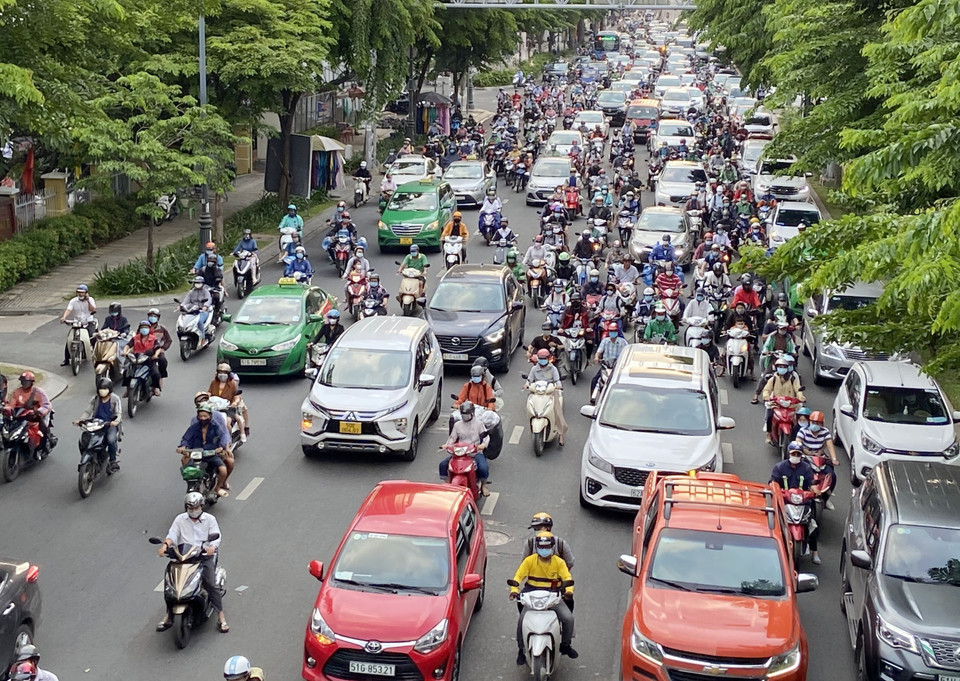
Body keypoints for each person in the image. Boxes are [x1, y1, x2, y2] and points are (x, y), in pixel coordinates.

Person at [156, 491, 229, 631]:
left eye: (195, 508)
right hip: (184, 556)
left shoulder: (210, 519)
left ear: (201, 506)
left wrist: (212, 547)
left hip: (203, 556)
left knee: (211, 584)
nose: (193, 511)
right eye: (190, 508)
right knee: (170, 582)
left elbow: (217, 537)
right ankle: (168, 615)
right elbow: (172, 534)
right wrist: (165, 546)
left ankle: (221, 617)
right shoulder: (180, 519)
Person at [510, 531, 577, 665]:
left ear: (552, 547)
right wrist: (514, 590)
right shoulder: (529, 561)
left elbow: (567, 578)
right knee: (521, 621)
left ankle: (565, 645)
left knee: (568, 618)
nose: (544, 550)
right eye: (541, 547)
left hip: (552, 595)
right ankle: (521, 650)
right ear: (537, 547)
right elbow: (518, 576)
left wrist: (569, 591)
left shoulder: (559, 562)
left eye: (547, 547)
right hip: (532, 594)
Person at [770, 443, 821, 564]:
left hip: (803, 502)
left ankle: (815, 552)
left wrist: (815, 490)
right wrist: (777, 491)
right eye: (794, 454)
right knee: (774, 522)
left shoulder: (806, 468)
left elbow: (812, 483)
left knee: (813, 525)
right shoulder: (779, 467)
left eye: (798, 454)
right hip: (785, 501)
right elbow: (772, 484)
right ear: (789, 453)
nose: (796, 456)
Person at [178, 402, 230, 497]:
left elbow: (223, 436)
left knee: (223, 470)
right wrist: (183, 447)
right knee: (184, 461)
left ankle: (217, 488)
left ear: (210, 416)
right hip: (197, 453)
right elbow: (186, 438)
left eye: (205, 416)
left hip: (212, 454)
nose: (203, 418)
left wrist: (222, 448)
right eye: (201, 416)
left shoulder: (215, 427)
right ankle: (191, 483)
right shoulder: (194, 428)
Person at [441, 402, 491, 496]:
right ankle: (447, 482)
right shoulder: (457, 425)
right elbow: (452, 438)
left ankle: (483, 486)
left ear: (472, 413)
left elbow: (486, 437)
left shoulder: (479, 424)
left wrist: (483, 445)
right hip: (460, 453)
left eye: (467, 415)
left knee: (483, 467)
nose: (465, 417)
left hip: (475, 453)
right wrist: (447, 445)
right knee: (443, 465)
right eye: (463, 415)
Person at [74, 378, 122, 473]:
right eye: (100, 388)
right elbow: (88, 411)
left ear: (109, 389)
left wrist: (115, 421)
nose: (102, 391)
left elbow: (119, 413)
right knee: (85, 440)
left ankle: (113, 461)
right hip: (95, 424)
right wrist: (80, 420)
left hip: (109, 425)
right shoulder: (95, 399)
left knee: (111, 440)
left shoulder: (115, 399)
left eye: (105, 388)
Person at [4, 372, 55, 455]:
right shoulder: (17, 392)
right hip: (23, 416)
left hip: (37, 416)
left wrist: (39, 412)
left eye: (26, 382)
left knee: (43, 429)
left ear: (31, 382)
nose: (23, 383)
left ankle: (41, 448)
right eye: (22, 381)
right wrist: (7, 409)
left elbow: (46, 405)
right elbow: (11, 404)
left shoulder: (38, 392)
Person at [797, 410, 839, 509]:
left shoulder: (825, 432)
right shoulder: (803, 431)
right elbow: (798, 442)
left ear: (821, 424)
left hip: (820, 458)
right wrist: (802, 449)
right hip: (806, 457)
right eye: (813, 422)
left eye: (817, 423)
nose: (814, 425)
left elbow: (829, 445)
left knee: (831, 476)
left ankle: (826, 498)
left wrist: (834, 459)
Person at [525, 349, 567, 445]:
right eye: (540, 359)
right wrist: (526, 385)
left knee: (558, 411)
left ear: (548, 359)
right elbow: (529, 379)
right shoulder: (534, 369)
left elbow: (557, 380)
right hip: (537, 392)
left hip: (550, 392)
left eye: (544, 359)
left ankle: (560, 434)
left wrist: (558, 386)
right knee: (530, 405)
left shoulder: (553, 369)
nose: (542, 361)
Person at [762, 356, 806, 444]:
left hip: (791, 405)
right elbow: (766, 390)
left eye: (784, 367)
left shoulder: (793, 379)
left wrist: (801, 397)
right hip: (776, 404)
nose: (782, 369)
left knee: (800, 419)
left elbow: (798, 390)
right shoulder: (773, 379)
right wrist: (766, 396)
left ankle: (800, 438)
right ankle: (768, 434)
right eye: (780, 367)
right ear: (776, 368)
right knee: (769, 416)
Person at [59, 284, 98, 366]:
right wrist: (64, 317)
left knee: (92, 336)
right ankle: (66, 359)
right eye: (79, 292)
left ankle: (96, 356)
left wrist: (87, 301)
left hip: (88, 322)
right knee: (69, 339)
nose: (80, 294)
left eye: (82, 293)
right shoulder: (73, 301)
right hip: (77, 323)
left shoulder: (90, 300)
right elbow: (69, 309)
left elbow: (93, 310)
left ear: (86, 293)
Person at [209, 363, 247, 443]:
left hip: (227, 408)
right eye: (220, 372)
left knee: (226, 423)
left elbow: (237, 396)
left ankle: (228, 440)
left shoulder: (233, 384)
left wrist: (235, 403)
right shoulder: (214, 383)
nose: (222, 374)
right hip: (214, 407)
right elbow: (209, 393)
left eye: (224, 372)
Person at [124, 320, 163, 395]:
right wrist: (125, 352)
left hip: (148, 359)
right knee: (126, 371)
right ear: (140, 329)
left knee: (156, 373)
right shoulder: (135, 338)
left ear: (149, 329)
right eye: (142, 327)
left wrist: (155, 355)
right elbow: (127, 346)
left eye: (146, 327)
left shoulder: (153, 338)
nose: (144, 329)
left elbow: (158, 348)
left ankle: (154, 389)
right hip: (136, 359)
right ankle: (128, 389)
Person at [592, 322, 628, 392]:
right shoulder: (605, 341)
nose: (612, 333)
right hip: (606, 366)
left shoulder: (623, 342)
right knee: (595, 381)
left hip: (618, 367)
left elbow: (627, 352)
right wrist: (596, 357)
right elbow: (599, 352)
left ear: (617, 332)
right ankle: (592, 399)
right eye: (611, 331)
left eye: (614, 331)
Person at [147, 308, 172, 383]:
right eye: (151, 316)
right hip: (145, 349)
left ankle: (160, 378)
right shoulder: (144, 327)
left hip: (158, 350)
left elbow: (169, 340)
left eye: (154, 316)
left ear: (158, 318)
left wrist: (163, 348)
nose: (152, 318)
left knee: (163, 361)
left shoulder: (162, 329)